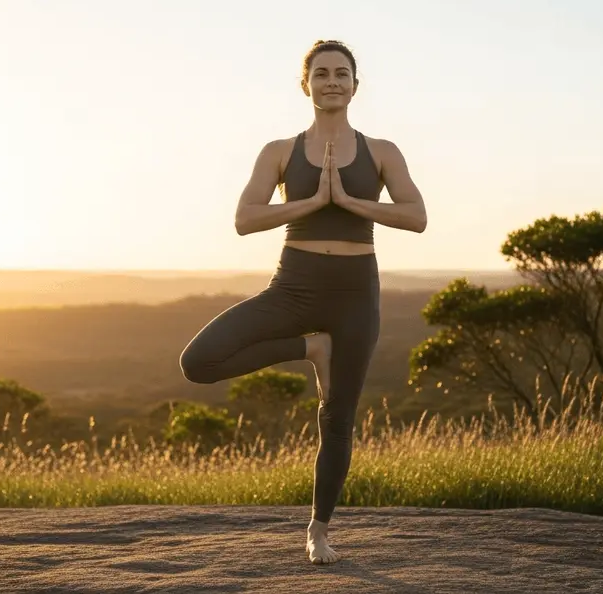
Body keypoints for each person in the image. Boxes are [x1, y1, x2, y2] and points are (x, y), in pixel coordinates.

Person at [178, 39, 427, 565]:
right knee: (198, 361)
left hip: (357, 292)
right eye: (321, 73)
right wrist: (310, 201)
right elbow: (245, 219)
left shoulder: (381, 150)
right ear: (305, 84)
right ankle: (310, 347)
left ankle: (319, 529)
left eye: (342, 73)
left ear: (356, 85)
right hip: (294, 285)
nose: (332, 81)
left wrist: (351, 201)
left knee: (337, 417)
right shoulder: (280, 151)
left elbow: (416, 216)